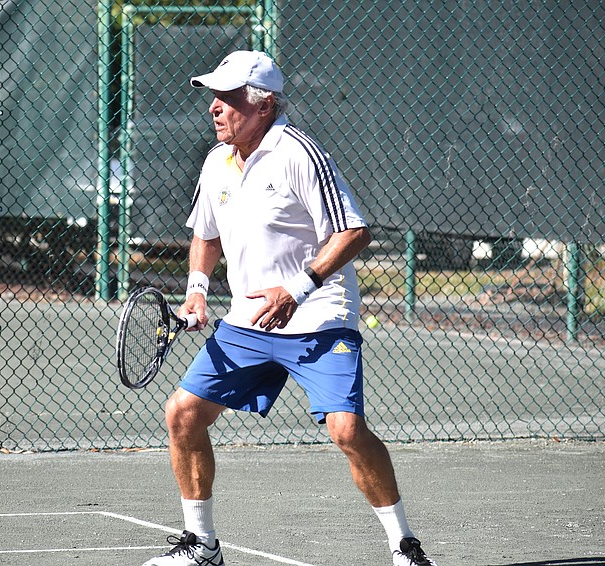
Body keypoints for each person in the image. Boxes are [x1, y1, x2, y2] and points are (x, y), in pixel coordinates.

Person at [142, 50, 438, 566]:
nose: (214, 107)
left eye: (229, 98)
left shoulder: (299, 153)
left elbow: (354, 230)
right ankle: (201, 547)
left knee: (346, 430)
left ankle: (405, 546)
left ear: (264, 105)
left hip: (318, 314)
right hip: (248, 322)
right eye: (213, 96)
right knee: (183, 414)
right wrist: (196, 288)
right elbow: (205, 235)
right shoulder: (217, 162)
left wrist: (297, 289)